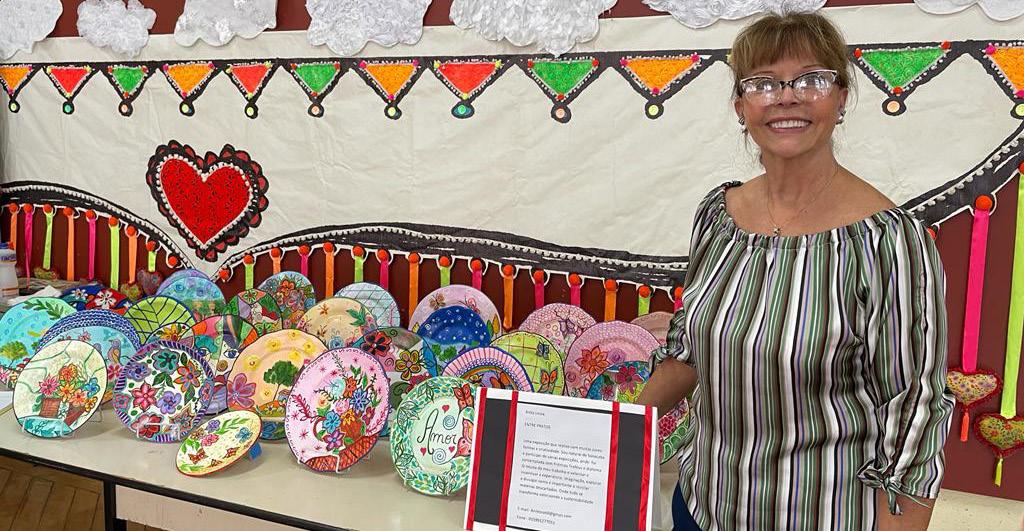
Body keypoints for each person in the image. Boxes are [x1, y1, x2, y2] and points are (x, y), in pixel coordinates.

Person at [637, 12, 955, 531]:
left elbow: (914, 415)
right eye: (763, 83)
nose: (786, 97)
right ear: (740, 107)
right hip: (701, 507)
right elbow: (687, 353)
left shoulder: (889, 243)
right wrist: (605, 437)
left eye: (811, 80)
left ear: (841, 98)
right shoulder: (718, 216)